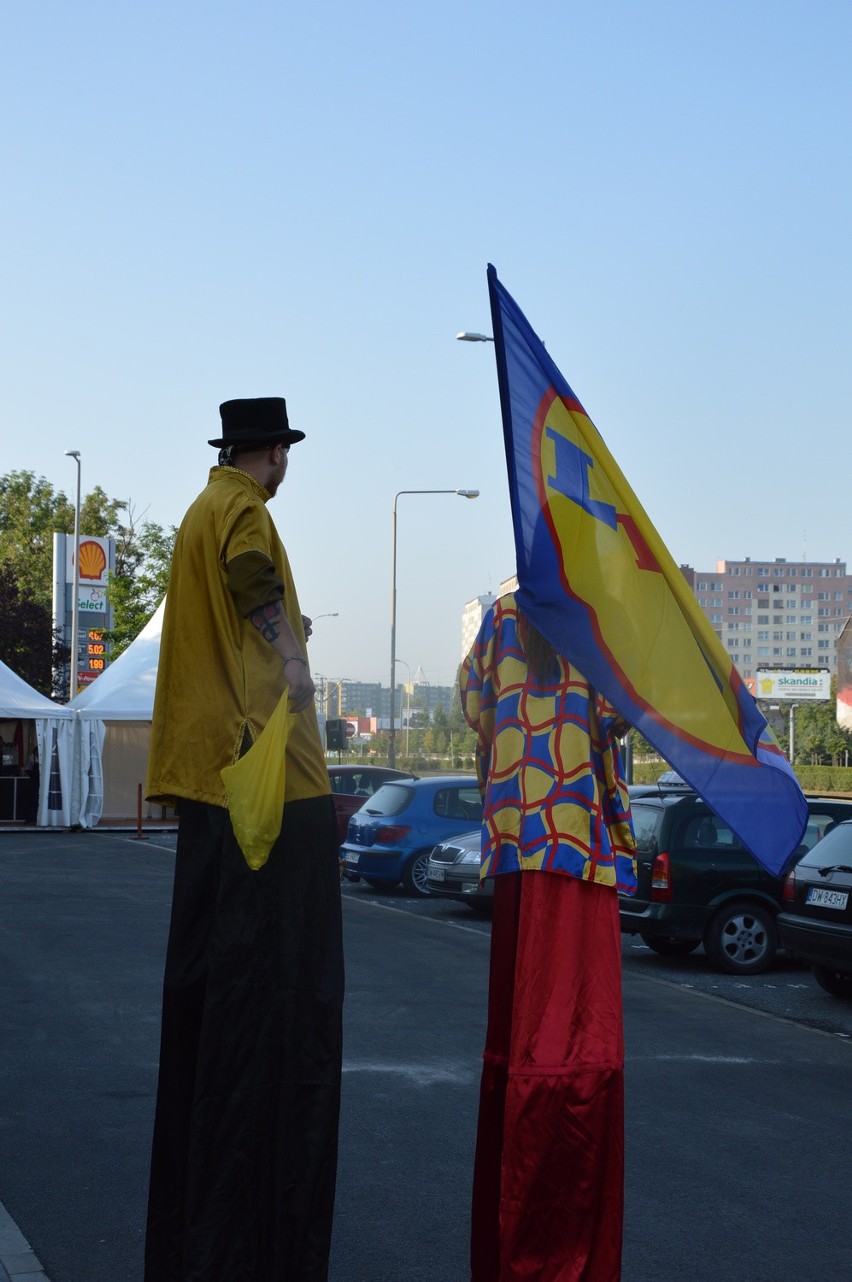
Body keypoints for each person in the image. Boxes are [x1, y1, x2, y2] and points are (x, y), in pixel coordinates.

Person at [144, 397, 344, 1281]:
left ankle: (202, 1237)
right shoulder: (241, 510)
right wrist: (294, 659)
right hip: (260, 779)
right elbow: (253, 574)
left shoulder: (200, 508)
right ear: (275, 453)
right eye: (285, 452)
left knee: (212, 1005)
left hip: (209, 777)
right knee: (273, 1012)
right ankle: (248, 1242)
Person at [460, 591, 637, 1282]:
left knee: (514, 1045)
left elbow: (474, 706)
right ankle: (563, 1254)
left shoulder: (501, 619)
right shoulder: (590, 621)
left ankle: (508, 1248)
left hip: (513, 841)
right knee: (576, 1045)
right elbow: (616, 716)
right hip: (572, 843)